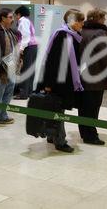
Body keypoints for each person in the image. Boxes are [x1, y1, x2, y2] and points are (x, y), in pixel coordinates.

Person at [38, 9, 85, 153]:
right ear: (73, 22)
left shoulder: (73, 35)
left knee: (57, 109)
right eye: (81, 21)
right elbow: (53, 62)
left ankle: (52, 136)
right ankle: (60, 140)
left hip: (65, 80)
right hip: (57, 82)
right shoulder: (62, 35)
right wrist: (48, 84)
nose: (83, 24)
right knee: (58, 110)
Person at [79, 8, 107, 145]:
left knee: (84, 106)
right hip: (96, 75)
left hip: (82, 75)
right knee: (94, 106)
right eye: (103, 18)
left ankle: (84, 132)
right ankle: (91, 135)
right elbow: (106, 56)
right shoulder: (101, 33)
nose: (105, 20)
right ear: (98, 19)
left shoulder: (81, 31)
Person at [14, 5, 38, 100]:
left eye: (16, 15)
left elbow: (25, 36)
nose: (15, 17)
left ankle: (23, 93)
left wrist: (21, 49)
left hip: (28, 47)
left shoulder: (23, 21)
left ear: (19, 14)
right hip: (33, 47)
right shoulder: (28, 21)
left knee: (25, 70)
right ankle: (28, 92)